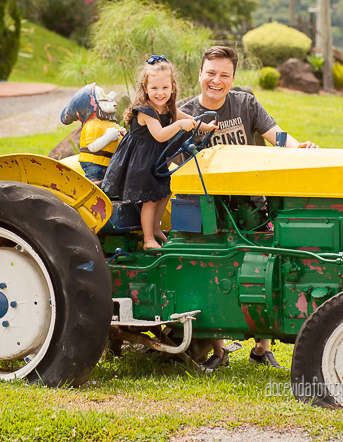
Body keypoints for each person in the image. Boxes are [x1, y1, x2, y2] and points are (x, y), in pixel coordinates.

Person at [179, 45, 318, 371]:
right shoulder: (184, 113)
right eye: (210, 73)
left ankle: (261, 347)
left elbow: (277, 137)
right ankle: (219, 349)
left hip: (253, 204)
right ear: (200, 74)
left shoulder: (245, 103)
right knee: (211, 271)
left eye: (224, 75)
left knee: (269, 264)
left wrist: (301, 148)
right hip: (209, 206)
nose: (216, 81)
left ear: (233, 78)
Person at [102, 55, 217, 250]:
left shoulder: (168, 107)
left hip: (156, 159)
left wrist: (207, 127)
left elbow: (190, 118)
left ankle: (156, 228)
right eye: (154, 88)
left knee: (165, 191)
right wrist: (180, 125)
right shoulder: (146, 111)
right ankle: (148, 239)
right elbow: (160, 135)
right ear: (145, 89)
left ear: (172, 87)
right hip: (140, 160)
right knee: (150, 199)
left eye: (165, 88)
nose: (160, 93)